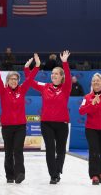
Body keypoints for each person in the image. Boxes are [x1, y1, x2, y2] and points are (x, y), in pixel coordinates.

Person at [0, 53, 40, 184]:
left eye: (16, 79)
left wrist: (37, 66)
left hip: (20, 126)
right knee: (8, 152)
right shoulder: (3, 91)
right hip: (7, 126)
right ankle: (9, 175)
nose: (14, 81)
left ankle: (20, 173)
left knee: (18, 150)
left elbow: (30, 78)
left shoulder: (22, 89)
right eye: (11, 79)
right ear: (8, 81)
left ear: (18, 81)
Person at [24, 50, 71, 184]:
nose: (54, 76)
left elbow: (68, 74)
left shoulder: (66, 87)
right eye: (52, 74)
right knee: (50, 149)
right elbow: (30, 81)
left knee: (61, 150)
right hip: (47, 123)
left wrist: (65, 62)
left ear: (62, 77)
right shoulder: (45, 87)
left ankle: (58, 170)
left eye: (57, 74)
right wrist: (27, 68)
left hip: (62, 123)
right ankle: (53, 175)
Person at [79, 73, 101, 185]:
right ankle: (94, 175)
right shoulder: (87, 97)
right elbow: (81, 111)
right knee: (94, 151)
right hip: (91, 129)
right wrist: (92, 104)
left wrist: (100, 104)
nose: (95, 82)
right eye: (93, 81)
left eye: (97, 81)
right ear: (91, 84)